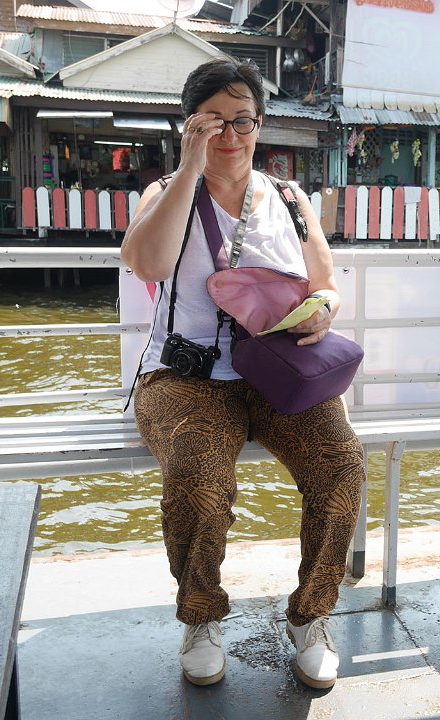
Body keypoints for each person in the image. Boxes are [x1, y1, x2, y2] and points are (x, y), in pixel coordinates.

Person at [121, 58, 365, 690]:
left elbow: (327, 283)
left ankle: (312, 615)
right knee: (199, 472)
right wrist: (189, 169)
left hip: (278, 373)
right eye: (212, 122)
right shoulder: (164, 193)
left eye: (242, 121)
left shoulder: (289, 199)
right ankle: (201, 616)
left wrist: (324, 309)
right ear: (188, 125)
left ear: (260, 124)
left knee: (341, 465)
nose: (229, 136)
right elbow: (147, 265)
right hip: (184, 378)